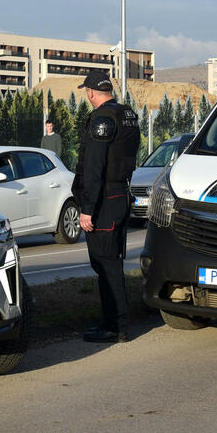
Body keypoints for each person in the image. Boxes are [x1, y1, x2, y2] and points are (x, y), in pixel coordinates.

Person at [72, 68, 140, 343]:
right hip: (119, 194)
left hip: (104, 201)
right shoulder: (127, 115)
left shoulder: (102, 118)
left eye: (86, 93)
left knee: (105, 264)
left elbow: (94, 166)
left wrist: (87, 208)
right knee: (111, 262)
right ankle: (114, 323)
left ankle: (116, 326)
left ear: (90, 92)